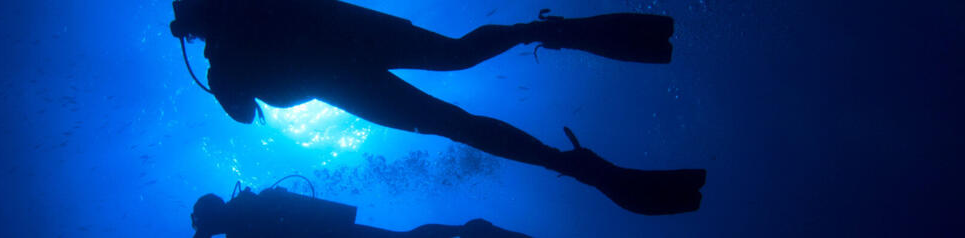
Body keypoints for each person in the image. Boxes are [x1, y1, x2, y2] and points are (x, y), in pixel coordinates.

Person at [169, 0, 705, 215]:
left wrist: (219, 68)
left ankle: (565, 153)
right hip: (347, 56)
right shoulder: (227, 55)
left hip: (342, 63)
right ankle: (542, 38)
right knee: (455, 77)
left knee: (455, 97)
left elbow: (245, 112)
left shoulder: (227, 51)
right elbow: (244, 109)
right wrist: (221, 68)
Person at [191, 186, 534, 238]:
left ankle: (470, 229)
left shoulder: (241, 223)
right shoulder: (242, 218)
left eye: (200, 222)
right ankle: (469, 229)